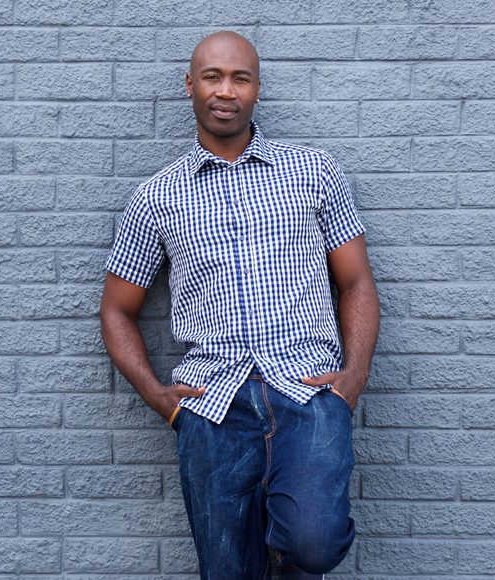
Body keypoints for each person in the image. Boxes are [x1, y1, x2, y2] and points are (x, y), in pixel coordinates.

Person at [98, 30, 380, 580]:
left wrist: (354, 376)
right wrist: (159, 397)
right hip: (211, 406)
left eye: (240, 78)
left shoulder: (312, 171)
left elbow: (357, 281)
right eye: (212, 76)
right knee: (229, 572)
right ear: (189, 86)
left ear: (256, 90)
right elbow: (116, 309)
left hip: (307, 389)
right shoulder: (157, 197)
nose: (225, 90)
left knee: (314, 543)